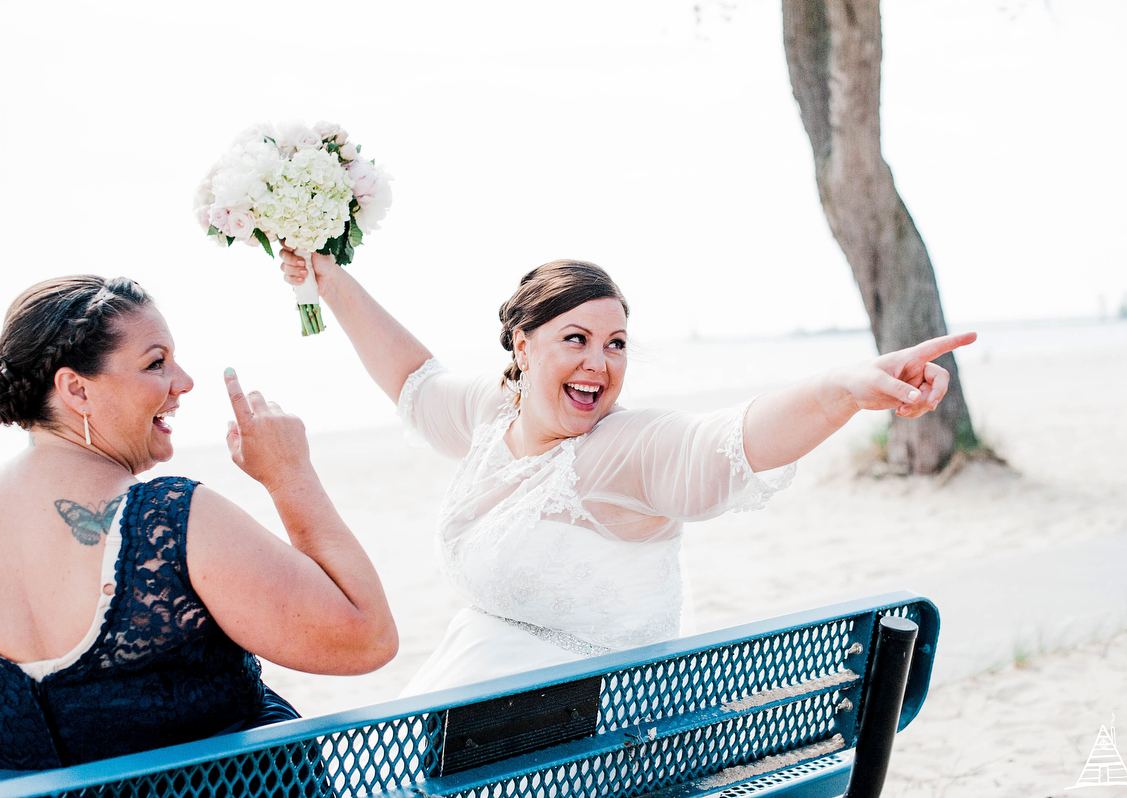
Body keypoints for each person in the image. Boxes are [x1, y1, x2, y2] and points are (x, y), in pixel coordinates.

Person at [279, 251, 973, 696]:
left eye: (615, 344)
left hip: (596, 744)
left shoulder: (625, 449)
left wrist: (846, 389)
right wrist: (327, 275)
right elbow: (413, 379)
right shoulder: (493, 415)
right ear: (522, 348)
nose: (600, 363)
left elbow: (724, 442)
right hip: (490, 728)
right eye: (574, 340)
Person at [0, 276, 398, 784]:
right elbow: (365, 640)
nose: (185, 380)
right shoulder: (168, 519)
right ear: (76, 389)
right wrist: (290, 475)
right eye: (156, 363)